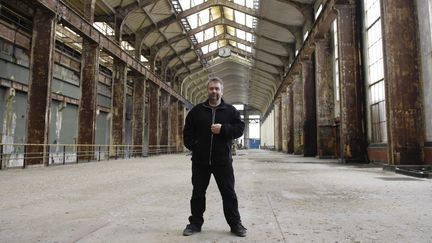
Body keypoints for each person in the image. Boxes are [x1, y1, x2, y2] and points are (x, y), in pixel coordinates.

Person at [182, 77, 247, 237]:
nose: (214, 92)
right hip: (200, 162)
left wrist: (223, 129)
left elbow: (240, 129)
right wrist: (196, 147)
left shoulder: (231, 111)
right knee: (198, 193)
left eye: (217, 89)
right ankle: (195, 224)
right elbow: (187, 132)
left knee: (228, 193)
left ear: (221, 91)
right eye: (211, 88)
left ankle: (235, 224)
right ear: (208, 90)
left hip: (222, 162)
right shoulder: (197, 111)